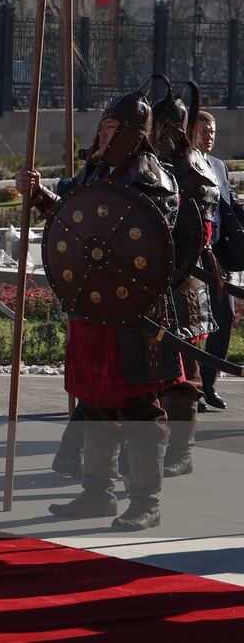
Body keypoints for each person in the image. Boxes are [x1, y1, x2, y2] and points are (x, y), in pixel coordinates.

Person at [18, 81, 182, 531]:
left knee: (138, 407)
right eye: (102, 127)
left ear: (134, 131)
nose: (103, 136)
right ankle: (97, 494)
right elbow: (73, 215)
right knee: (95, 402)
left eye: (112, 129)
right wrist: (38, 196)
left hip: (135, 312)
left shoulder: (153, 177)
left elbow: (151, 239)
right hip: (92, 308)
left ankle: (146, 501)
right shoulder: (95, 174)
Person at [149, 81, 216, 476]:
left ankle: (181, 453)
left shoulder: (193, 168)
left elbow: (199, 234)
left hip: (185, 285)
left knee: (183, 378)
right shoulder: (149, 166)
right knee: (150, 373)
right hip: (150, 287)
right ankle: (151, 451)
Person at [195, 110, 237, 411]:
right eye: (204, 131)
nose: (209, 137)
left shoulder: (218, 166)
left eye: (212, 132)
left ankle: (208, 383)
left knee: (225, 317)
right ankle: (191, 387)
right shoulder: (180, 165)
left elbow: (232, 204)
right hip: (191, 256)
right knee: (193, 323)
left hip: (218, 254)